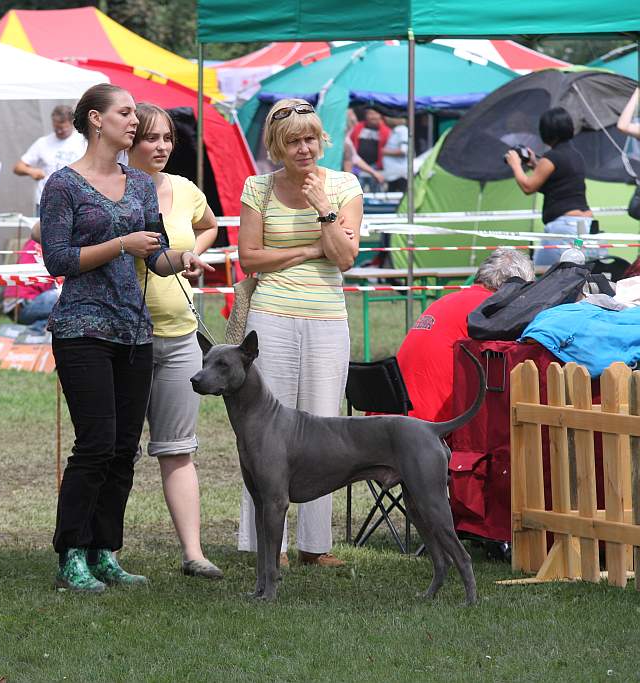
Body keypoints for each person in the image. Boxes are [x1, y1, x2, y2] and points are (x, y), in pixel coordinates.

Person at [40, 83, 214, 592]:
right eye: (126, 112)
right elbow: (58, 261)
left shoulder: (139, 185)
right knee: (94, 445)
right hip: (83, 328)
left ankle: (104, 551)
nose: (134, 122)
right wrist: (120, 244)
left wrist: (181, 259)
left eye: (135, 113)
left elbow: (155, 258)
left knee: (123, 448)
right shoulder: (63, 185)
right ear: (96, 119)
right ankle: (71, 553)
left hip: (136, 332)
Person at [237, 98, 362, 568]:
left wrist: (324, 210)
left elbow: (346, 258)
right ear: (277, 146)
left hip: (327, 318)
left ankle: (316, 544)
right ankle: (268, 545)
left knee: (322, 429)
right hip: (269, 316)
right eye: (294, 141)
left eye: (310, 138)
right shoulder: (258, 188)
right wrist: (315, 248)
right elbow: (249, 258)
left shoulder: (344, 185)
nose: (305, 148)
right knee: (263, 433)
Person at [126, 102, 223, 580]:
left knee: (178, 449)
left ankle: (194, 553)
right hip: (125, 337)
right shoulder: (112, 191)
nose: (162, 146)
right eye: (150, 138)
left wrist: (191, 254)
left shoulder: (185, 190)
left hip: (181, 336)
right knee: (115, 449)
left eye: (167, 137)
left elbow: (209, 226)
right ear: (128, 141)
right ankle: (103, 552)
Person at [396, 248, 535, 423]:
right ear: (516, 285)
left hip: (390, 416)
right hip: (429, 427)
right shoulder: (490, 312)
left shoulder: (446, 300)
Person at [506, 107, 593, 266]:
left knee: (541, 271)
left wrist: (515, 164)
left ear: (545, 131)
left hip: (564, 227)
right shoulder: (575, 155)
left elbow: (528, 187)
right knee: (575, 270)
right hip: (582, 225)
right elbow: (555, 184)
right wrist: (534, 164)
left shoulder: (552, 157)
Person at [14, 105, 87, 215]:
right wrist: (31, 171)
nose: (59, 131)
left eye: (63, 128)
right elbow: (18, 167)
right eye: (56, 127)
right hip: (46, 202)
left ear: (72, 123)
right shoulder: (42, 143)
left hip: (75, 201)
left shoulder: (83, 142)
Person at [2, 232, 58, 329]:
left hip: (14, 305)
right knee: (72, 299)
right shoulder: (56, 242)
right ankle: (37, 329)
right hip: (24, 303)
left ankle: (39, 327)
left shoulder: (37, 239)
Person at [348, 107, 390, 191]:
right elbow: (350, 143)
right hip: (358, 166)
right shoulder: (358, 128)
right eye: (370, 114)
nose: (373, 116)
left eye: (376, 114)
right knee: (357, 190)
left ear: (380, 116)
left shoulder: (386, 131)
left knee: (376, 191)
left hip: (376, 166)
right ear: (366, 115)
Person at [342, 108, 384, 187]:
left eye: (353, 113)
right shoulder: (344, 138)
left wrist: (374, 172)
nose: (353, 118)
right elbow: (352, 159)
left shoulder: (346, 137)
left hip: (372, 166)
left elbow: (354, 158)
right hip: (348, 174)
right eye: (350, 114)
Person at [381, 115, 409, 193]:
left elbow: (403, 151)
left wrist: (385, 152)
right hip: (392, 174)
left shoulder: (402, 130)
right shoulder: (394, 130)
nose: (385, 118)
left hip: (400, 175)